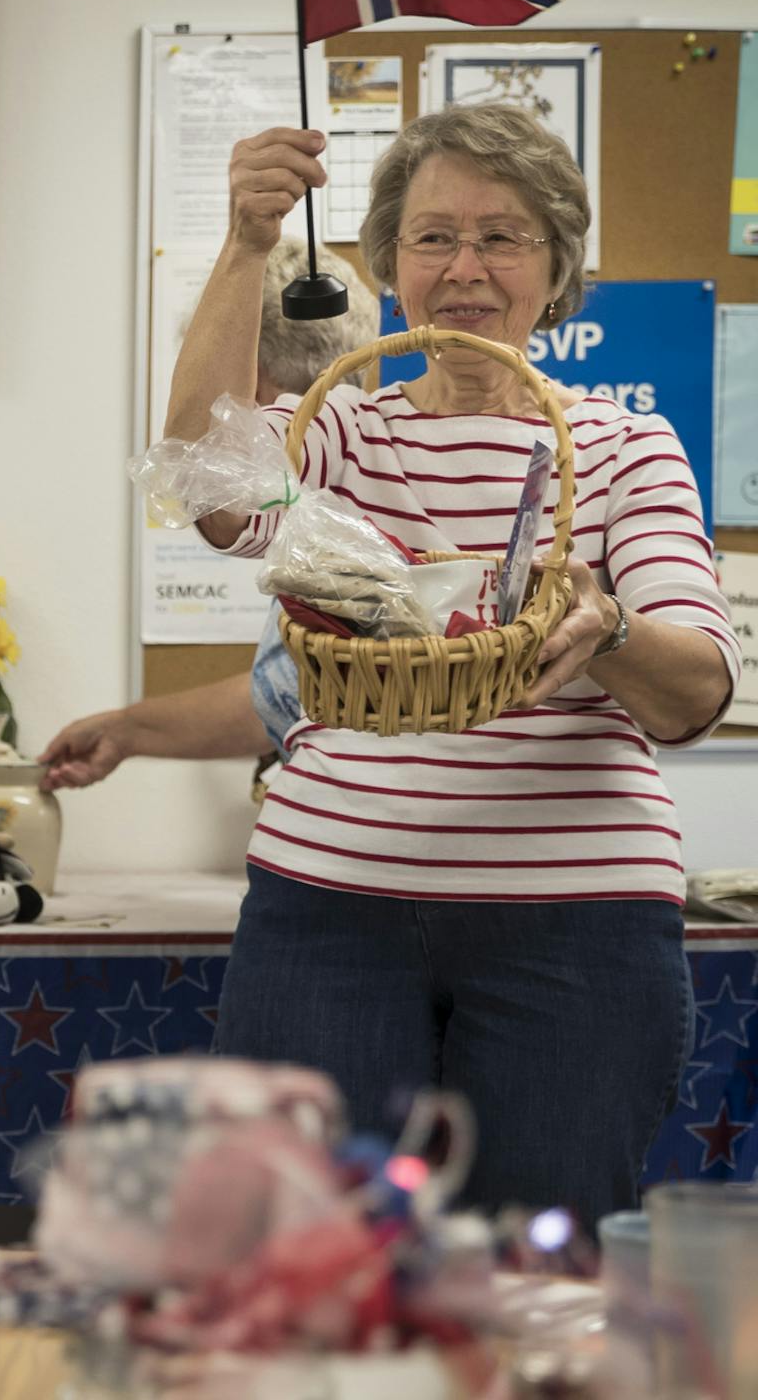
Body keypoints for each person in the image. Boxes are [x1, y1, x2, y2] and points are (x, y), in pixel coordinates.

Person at [164, 106, 738, 1228]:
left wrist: (608, 624)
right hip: (327, 913)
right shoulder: (342, 432)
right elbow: (203, 478)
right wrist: (244, 242)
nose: (464, 268)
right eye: (432, 238)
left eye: (502, 237)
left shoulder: (625, 449)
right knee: (311, 1263)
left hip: (577, 926)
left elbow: (697, 694)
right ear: (387, 264)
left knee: (540, 1278)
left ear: (556, 265)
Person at [40, 239, 380, 793]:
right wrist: (127, 731)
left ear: (250, 386)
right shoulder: (320, 513)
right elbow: (288, 687)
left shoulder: (340, 500)